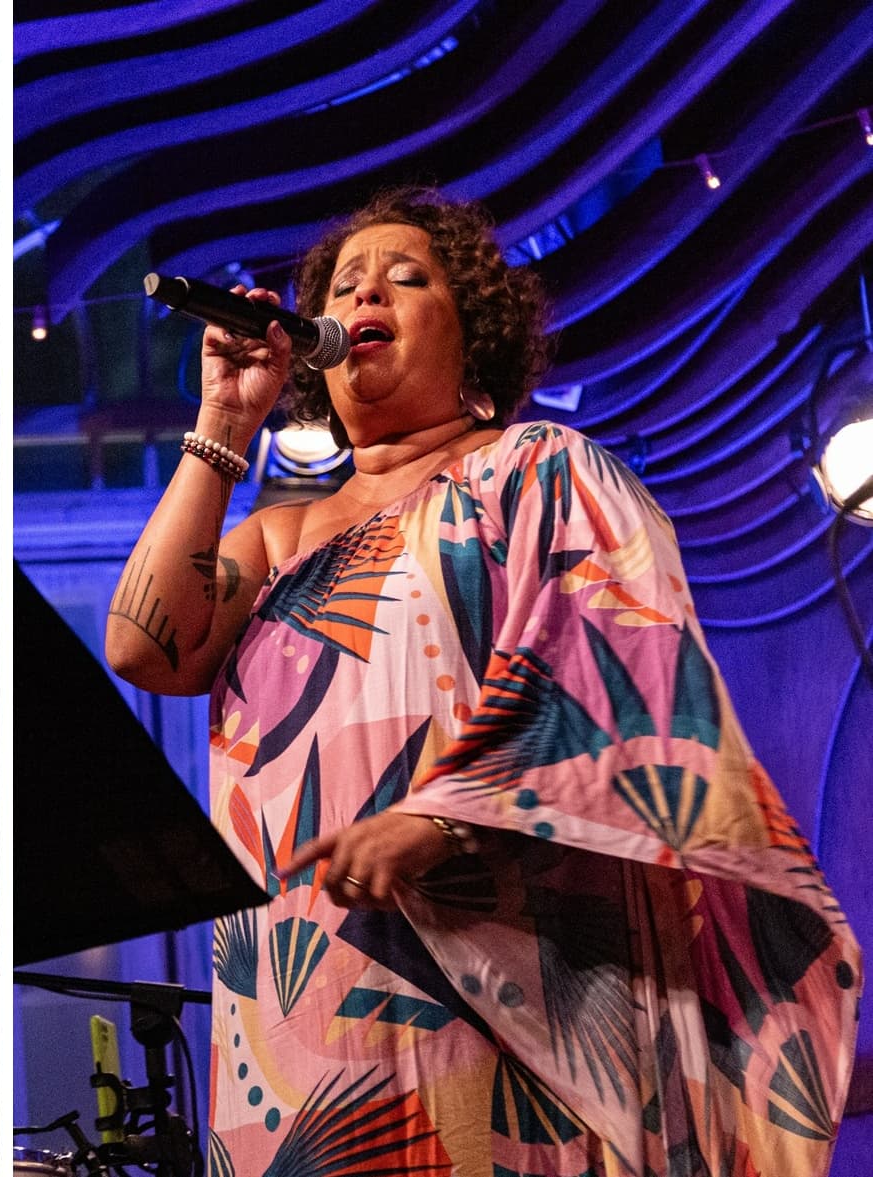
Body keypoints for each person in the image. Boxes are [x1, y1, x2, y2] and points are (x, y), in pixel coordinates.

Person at [106, 186, 860, 1176]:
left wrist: (443, 819)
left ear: (474, 347)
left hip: (489, 969)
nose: (365, 288)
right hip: (294, 999)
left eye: (405, 278)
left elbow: (621, 669)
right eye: (344, 282)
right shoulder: (276, 536)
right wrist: (222, 423)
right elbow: (140, 648)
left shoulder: (536, 470)